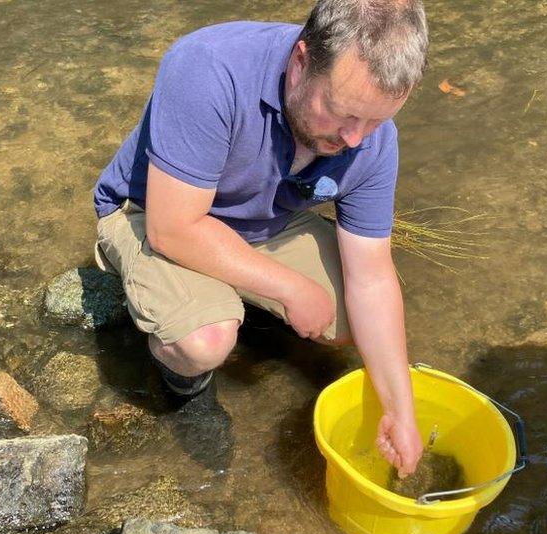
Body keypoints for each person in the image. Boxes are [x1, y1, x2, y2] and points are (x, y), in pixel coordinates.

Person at [92, 0, 429, 476]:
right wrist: (290, 288)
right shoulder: (208, 68)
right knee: (205, 340)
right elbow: (173, 229)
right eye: (342, 113)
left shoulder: (370, 137)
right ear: (300, 62)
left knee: (360, 325)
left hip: (265, 221)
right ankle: (187, 388)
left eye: (375, 121)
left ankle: (237, 301)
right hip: (155, 213)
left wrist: (401, 408)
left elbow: (372, 277)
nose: (355, 139)